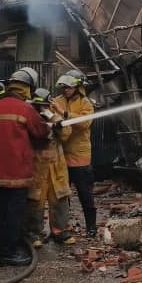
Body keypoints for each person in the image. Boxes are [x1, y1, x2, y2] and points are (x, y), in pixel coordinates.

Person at [0, 67, 50, 266]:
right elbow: (40, 132)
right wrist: (49, 124)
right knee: (14, 214)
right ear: (28, 88)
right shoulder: (25, 109)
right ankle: (9, 252)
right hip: (18, 173)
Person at [25, 88, 75, 247]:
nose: (41, 109)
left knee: (60, 198)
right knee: (35, 200)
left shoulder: (55, 117)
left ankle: (61, 231)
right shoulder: (29, 118)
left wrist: (52, 117)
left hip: (56, 167)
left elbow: (66, 134)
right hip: (37, 167)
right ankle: (34, 233)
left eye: (44, 106)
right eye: (38, 106)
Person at [52, 69, 97, 236]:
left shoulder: (86, 103)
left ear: (78, 87)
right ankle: (61, 228)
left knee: (85, 195)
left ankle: (91, 227)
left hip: (80, 158)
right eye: (64, 87)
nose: (66, 90)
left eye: (69, 87)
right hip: (61, 156)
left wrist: (63, 113)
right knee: (61, 196)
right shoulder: (57, 100)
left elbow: (83, 124)